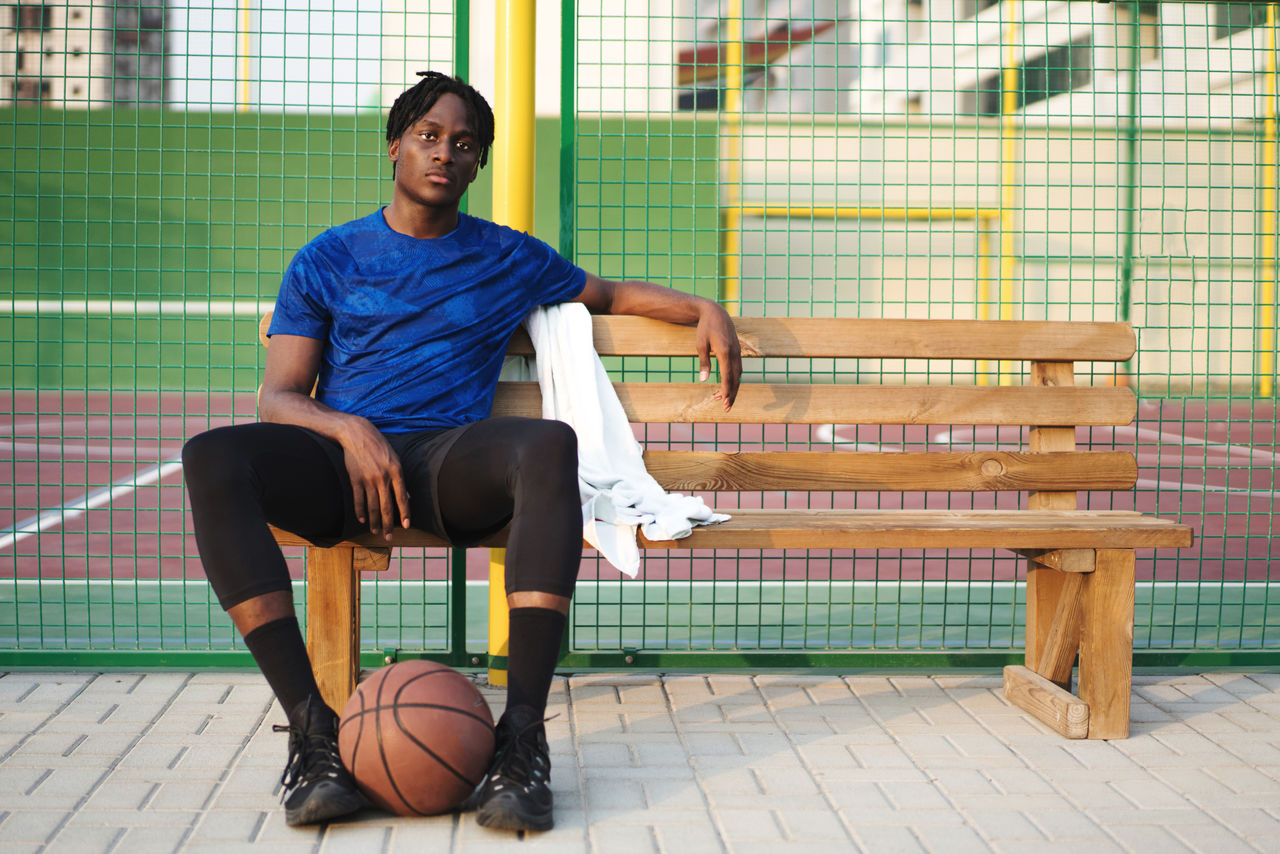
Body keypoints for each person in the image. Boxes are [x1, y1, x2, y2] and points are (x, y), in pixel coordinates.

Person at [180, 71, 742, 833]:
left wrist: (703, 307)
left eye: (465, 144)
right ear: (395, 147)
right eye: (429, 136)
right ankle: (314, 738)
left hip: (447, 467)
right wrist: (350, 429)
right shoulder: (329, 257)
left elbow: (609, 295)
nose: (446, 153)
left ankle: (521, 743)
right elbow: (278, 397)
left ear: (478, 165)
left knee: (548, 444)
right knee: (213, 457)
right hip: (343, 470)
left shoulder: (508, 257)